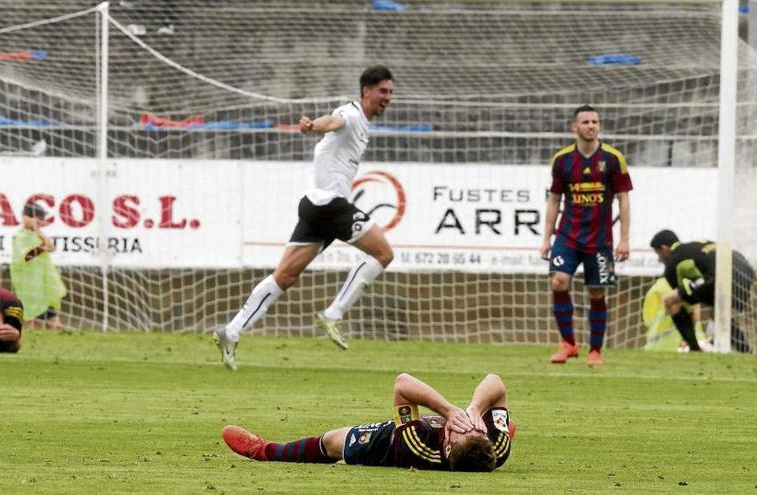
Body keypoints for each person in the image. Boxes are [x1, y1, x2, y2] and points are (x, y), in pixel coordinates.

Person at [213, 66, 396, 369]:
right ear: (366, 91)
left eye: (390, 92)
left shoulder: (363, 122)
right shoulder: (350, 114)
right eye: (383, 92)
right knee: (383, 253)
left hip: (314, 207)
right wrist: (313, 126)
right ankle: (333, 314)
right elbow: (332, 122)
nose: (388, 98)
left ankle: (231, 331)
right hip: (330, 206)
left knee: (284, 276)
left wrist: (316, 128)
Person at [221, 373, 514, 471]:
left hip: (387, 445)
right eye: (479, 430)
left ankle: (264, 450)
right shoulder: (497, 448)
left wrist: (450, 412)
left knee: (332, 441)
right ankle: (503, 423)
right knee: (494, 413)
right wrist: (477, 409)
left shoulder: (417, 446)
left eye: (462, 431)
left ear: (447, 450)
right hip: (455, 441)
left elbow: (402, 384)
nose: (469, 424)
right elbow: (495, 382)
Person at [540, 105, 633, 367]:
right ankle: (568, 343)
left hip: (600, 240)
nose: (591, 125)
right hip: (567, 236)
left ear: (599, 126)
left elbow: (624, 200)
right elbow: (554, 200)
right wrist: (546, 238)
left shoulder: (613, 158)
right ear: (575, 127)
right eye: (585, 122)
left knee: (596, 293)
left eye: (595, 121)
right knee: (558, 282)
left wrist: (624, 238)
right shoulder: (562, 160)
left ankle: (595, 350)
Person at [649, 229, 754, 352]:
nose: (659, 260)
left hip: (721, 276)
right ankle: (746, 352)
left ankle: (694, 349)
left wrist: (687, 334)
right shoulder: (696, 244)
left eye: (658, 254)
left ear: (664, 248)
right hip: (747, 272)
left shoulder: (673, 261)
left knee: (670, 301)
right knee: (718, 313)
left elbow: (685, 305)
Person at [10, 202, 67, 328]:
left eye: (41, 218)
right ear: (28, 217)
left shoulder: (36, 234)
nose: (41, 221)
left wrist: (38, 230)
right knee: (35, 320)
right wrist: (41, 248)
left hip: (44, 285)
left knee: (51, 319)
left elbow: (51, 247)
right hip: (31, 286)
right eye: (39, 218)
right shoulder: (21, 236)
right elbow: (25, 257)